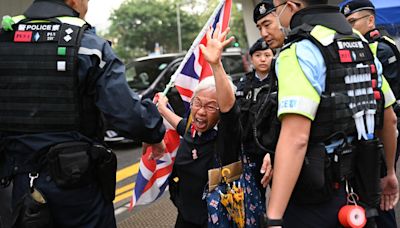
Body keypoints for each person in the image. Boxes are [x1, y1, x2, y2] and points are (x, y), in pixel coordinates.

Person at [0, 0, 166, 227]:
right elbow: (128, 116)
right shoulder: (88, 46)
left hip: (14, 187)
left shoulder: (4, 40)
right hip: (76, 191)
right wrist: (154, 132)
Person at [261, 0, 399, 227]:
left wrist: (274, 217)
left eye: (276, 8)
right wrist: (390, 174)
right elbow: (389, 118)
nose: (277, 14)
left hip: (315, 197)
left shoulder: (299, 50)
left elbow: (296, 138)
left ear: (291, 4)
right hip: (361, 191)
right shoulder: (362, 43)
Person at [157, 25, 241, 228]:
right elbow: (180, 124)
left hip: (214, 219)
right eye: (197, 103)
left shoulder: (225, 138)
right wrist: (162, 108)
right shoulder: (191, 128)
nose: (201, 112)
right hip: (185, 215)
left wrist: (215, 64)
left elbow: (229, 110)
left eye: (211, 107)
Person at [339, 1, 400, 227]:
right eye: (346, 23)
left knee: (380, 196)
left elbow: (387, 109)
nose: (350, 27)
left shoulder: (379, 48)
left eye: (353, 21)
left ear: (370, 20)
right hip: (368, 134)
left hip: (382, 134)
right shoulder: (360, 46)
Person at [235, 38, 274, 202]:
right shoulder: (244, 83)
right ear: (251, 59)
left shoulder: (280, 81)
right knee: (254, 195)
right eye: (258, 55)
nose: (263, 59)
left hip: (271, 148)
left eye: (267, 55)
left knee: (279, 189)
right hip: (249, 148)